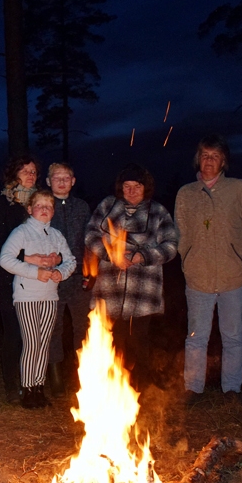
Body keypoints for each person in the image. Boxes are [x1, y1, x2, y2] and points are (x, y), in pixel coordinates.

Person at [176, 135, 242, 400]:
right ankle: (193, 387)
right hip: (198, 276)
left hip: (233, 276)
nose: (209, 161)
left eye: (214, 156)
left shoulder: (238, 188)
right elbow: (180, 232)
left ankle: (232, 389)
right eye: (204, 155)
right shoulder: (186, 193)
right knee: (196, 337)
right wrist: (187, 259)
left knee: (233, 336)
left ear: (223, 160)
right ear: (198, 159)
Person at [85, 163, 178, 388]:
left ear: (145, 188)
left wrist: (141, 256)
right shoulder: (108, 206)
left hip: (143, 293)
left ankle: (139, 394)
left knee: (139, 345)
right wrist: (112, 255)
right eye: (127, 186)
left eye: (137, 186)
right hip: (110, 292)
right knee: (111, 344)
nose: (132, 191)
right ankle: (108, 391)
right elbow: (90, 235)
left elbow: (172, 246)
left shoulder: (158, 212)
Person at [0, 190, 76, 409]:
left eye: (49, 206)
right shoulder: (21, 232)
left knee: (44, 344)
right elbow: (5, 259)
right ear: (30, 209)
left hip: (50, 295)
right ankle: (27, 388)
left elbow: (70, 260)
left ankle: (38, 387)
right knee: (32, 342)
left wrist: (61, 272)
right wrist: (35, 272)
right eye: (40, 205)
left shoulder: (56, 235)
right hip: (27, 296)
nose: (44, 209)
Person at [0, 155, 40, 402]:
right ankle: (12, 386)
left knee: (33, 334)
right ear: (14, 175)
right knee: (14, 333)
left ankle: (32, 383)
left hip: (38, 279)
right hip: (9, 277)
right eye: (25, 170)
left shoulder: (42, 204)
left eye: (33, 171)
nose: (30, 175)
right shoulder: (3, 203)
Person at [44, 162, 92, 392]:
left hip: (79, 279)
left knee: (82, 328)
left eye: (66, 178)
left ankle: (82, 378)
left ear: (73, 181)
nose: (62, 182)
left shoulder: (82, 207)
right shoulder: (42, 206)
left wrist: (90, 273)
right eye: (56, 178)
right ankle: (55, 380)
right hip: (51, 279)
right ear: (48, 181)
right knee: (53, 328)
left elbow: (91, 242)